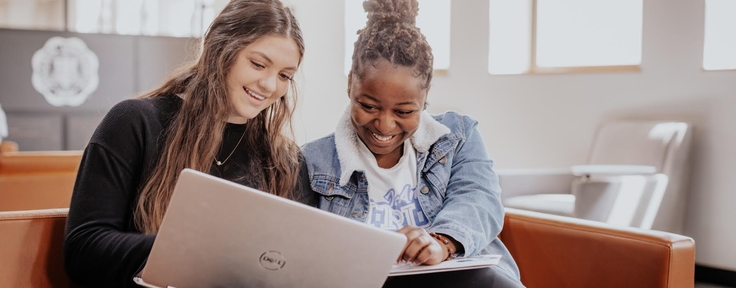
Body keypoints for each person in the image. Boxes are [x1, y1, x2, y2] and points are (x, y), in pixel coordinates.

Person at [63, 1, 314, 287]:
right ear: (218, 50)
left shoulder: (287, 160)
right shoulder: (135, 122)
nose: (270, 85)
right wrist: (197, 255)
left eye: (284, 76)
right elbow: (83, 250)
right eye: (258, 64)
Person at [301, 0, 524, 287]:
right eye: (368, 106)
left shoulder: (458, 137)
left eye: (404, 112)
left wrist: (440, 242)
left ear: (425, 96)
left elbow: (479, 200)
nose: (384, 125)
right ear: (350, 84)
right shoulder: (313, 161)